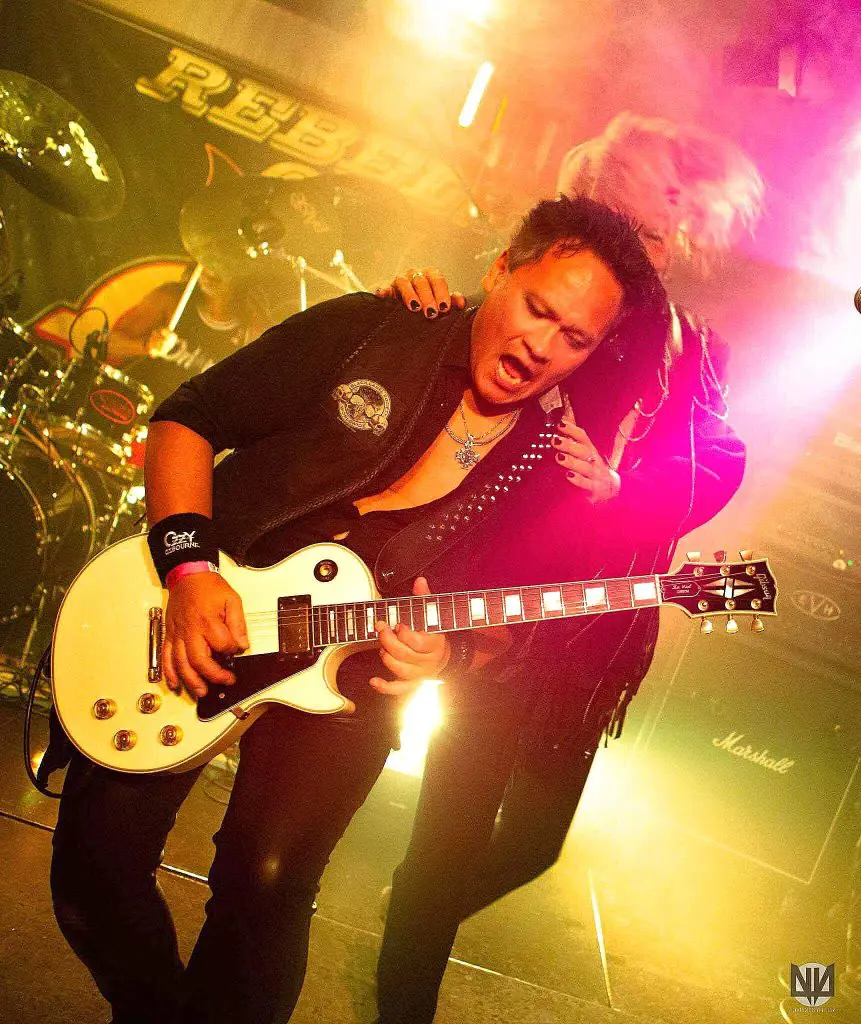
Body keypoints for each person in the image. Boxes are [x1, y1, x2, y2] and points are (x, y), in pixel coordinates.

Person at [49, 195, 666, 1024]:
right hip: (209, 610)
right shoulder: (376, 329)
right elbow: (188, 418)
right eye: (536, 307)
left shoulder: (553, 470)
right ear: (498, 271)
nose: (540, 345)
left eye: (575, 339)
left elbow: (509, 632)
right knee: (94, 873)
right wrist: (190, 572)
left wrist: (449, 657)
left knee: (267, 885)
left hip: (349, 676)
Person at [373, 111, 761, 1023]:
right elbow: (465, 340)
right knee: (450, 834)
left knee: (533, 845)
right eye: (649, 202)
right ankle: (406, 989)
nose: (672, 220)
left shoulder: (694, 343)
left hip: (595, 629)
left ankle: (413, 915)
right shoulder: (564, 297)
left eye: (679, 207)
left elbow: (721, 457)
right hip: (496, 603)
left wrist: (623, 490)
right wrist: (413, 302)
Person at [109, 264, 296, 404]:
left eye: (222, 264)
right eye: (208, 260)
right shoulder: (171, 299)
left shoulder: (253, 332)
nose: (211, 270)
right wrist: (145, 346)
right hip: (128, 414)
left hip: (185, 436)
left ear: (244, 275)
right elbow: (108, 344)